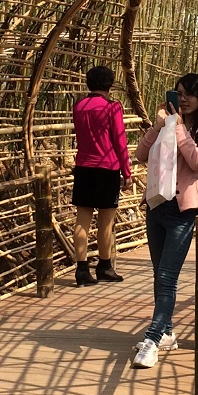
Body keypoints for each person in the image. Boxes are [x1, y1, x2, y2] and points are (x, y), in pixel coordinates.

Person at [131, 72, 198, 370]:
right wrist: (159, 126)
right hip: (157, 204)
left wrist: (180, 129)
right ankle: (168, 331)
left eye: (189, 94)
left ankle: (153, 338)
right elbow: (140, 154)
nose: (182, 99)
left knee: (167, 276)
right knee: (159, 274)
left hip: (184, 210)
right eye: (178, 93)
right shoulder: (168, 121)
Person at [70, 64, 131, 285]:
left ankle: (81, 269)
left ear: (89, 83)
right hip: (107, 168)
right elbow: (119, 141)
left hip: (84, 167)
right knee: (106, 221)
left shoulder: (79, 107)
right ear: (110, 84)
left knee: (82, 219)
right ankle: (104, 266)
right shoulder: (112, 108)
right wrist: (127, 171)